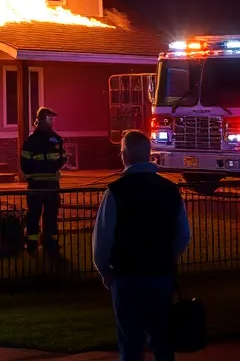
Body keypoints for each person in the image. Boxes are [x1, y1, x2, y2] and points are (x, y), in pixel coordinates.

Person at [92, 130, 191, 361]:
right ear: (148, 154)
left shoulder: (116, 191)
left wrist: (105, 270)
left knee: (130, 342)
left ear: (125, 155)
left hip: (127, 276)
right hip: (161, 274)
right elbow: (183, 235)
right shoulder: (170, 190)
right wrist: (167, 257)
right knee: (162, 339)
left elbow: (103, 237)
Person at [20, 106, 66, 253]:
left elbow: (62, 157)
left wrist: (32, 176)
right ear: (41, 120)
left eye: (52, 118)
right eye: (49, 118)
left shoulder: (53, 138)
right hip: (43, 185)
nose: (51, 121)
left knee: (47, 214)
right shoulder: (35, 140)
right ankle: (35, 242)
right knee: (36, 213)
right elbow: (24, 161)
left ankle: (46, 242)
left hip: (44, 185)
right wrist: (32, 177)